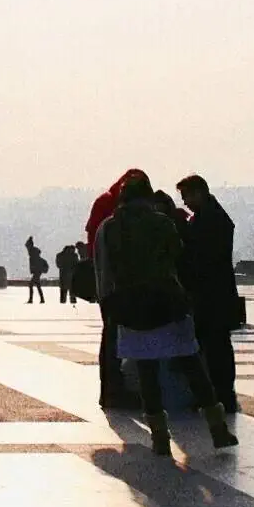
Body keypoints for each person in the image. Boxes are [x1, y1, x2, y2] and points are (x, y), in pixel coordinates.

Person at [94, 173, 238, 456]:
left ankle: (159, 436)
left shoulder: (108, 228)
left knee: (147, 373)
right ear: (148, 197)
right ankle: (217, 427)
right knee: (192, 365)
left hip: (132, 308)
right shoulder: (162, 223)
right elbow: (178, 256)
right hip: (167, 303)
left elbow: (104, 271)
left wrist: (110, 304)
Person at [176, 174, 240, 415]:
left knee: (216, 347)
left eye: (186, 197)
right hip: (215, 293)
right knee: (216, 346)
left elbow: (203, 257)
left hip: (211, 294)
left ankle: (221, 394)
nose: (185, 202)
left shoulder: (210, 220)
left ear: (198, 193)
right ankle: (220, 393)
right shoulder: (211, 216)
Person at [86, 168, 148, 408]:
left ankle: (113, 389)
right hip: (120, 285)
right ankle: (123, 389)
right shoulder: (119, 217)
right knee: (121, 337)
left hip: (108, 285)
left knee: (112, 336)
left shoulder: (105, 206)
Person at [25, 236, 49, 304]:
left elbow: (28, 247)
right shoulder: (37, 258)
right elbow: (28, 246)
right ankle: (41, 299)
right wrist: (30, 240)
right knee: (38, 286)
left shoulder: (35, 258)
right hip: (37, 273)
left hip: (37, 273)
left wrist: (30, 241)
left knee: (31, 285)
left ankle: (31, 299)